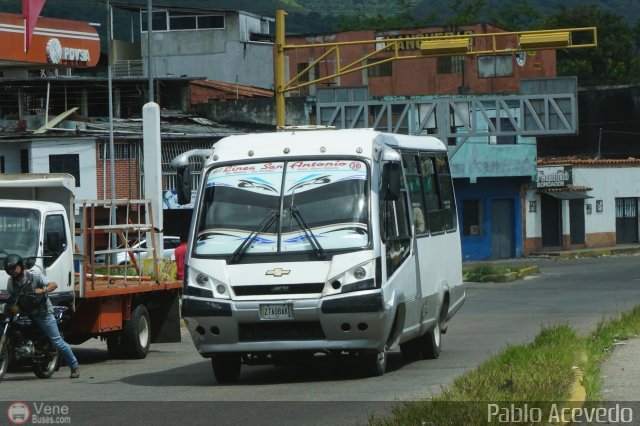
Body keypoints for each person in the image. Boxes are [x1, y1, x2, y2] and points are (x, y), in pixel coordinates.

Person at [3, 254, 80, 379]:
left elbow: (53, 284)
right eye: (9, 269)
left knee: (57, 341)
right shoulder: (11, 282)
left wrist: (44, 290)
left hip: (43, 313)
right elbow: (11, 297)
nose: (12, 271)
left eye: (14, 268)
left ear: (21, 266)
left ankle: (74, 366)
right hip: (24, 312)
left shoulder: (35, 276)